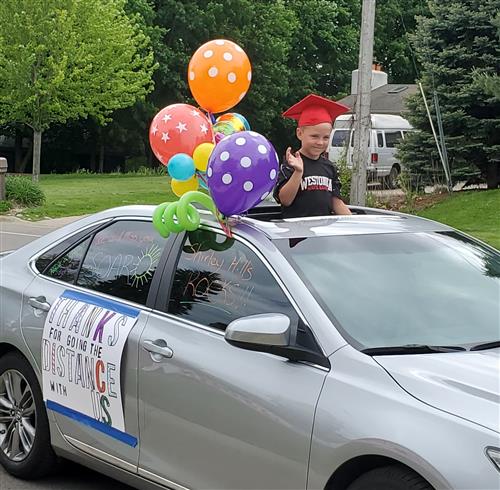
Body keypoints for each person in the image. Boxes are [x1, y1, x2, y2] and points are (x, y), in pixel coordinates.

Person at [274, 94, 352, 218]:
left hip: (322, 233)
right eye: (314, 136)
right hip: (296, 232)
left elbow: (335, 201)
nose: (320, 142)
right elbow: (285, 200)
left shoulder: (329, 167)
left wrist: (354, 223)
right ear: (300, 133)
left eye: (326, 137)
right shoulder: (291, 163)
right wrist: (298, 172)